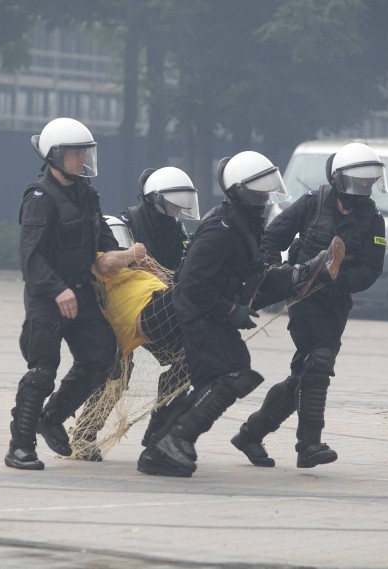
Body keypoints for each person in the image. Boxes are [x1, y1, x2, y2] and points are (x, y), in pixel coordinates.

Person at [230, 142, 388, 468]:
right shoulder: (311, 204)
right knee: (318, 362)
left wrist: (335, 279)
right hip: (303, 298)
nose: (363, 188)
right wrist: (276, 274)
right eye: (357, 182)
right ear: (339, 178)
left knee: (302, 377)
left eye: (368, 182)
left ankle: (251, 433)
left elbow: (370, 271)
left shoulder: (373, 220)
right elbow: (271, 239)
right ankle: (309, 445)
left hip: (336, 303)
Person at [136, 150, 292, 478]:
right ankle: (174, 441)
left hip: (212, 316)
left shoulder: (243, 223)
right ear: (239, 191)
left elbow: (252, 276)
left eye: (266, 192)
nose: (263, 198)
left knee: (214, 383)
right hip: (196, 317)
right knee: (232, 375)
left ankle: (162, 446)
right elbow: (190, 286)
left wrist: (297, 276)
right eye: (256, 192)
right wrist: (230, 310)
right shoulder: (220, 228)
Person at [5, 117, 124, 470]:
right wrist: (57, 290)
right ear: (56, 155)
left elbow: (104, 240)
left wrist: (126, 256)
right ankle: (20, 447)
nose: (83, 160)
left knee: (101, 359)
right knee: (43, 371)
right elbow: (31, 258)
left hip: (81, 292)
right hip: (47, 297)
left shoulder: (86, 193)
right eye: (76, 154)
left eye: (85, 153)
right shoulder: (40, 198)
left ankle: (51, 418)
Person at [70, 215, 190, 461]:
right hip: (130, 319)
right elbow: (105, 263)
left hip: (154, 313)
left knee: (186, 362)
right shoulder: (100, 259)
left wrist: (152, 267)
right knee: (114, 382)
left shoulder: (134, 266)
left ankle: (159, 428)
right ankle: (84, 434)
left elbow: (167, 282)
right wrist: (132, 253)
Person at [119, 167, 198, 273]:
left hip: (169, 286)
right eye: (174, 204)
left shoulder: (177, 226)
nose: (179, 208)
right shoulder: (130, 220)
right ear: (155, 198)